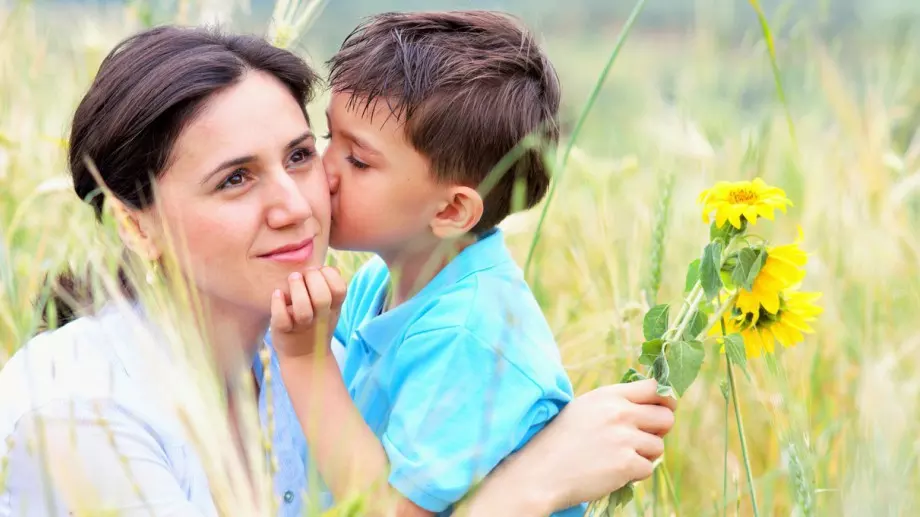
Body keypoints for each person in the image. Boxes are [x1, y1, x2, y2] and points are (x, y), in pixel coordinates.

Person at [0, 25, 676, 517]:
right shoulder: (77, 417)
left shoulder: (306, 339)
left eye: (299, 155)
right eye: (235, 179)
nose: (298, 203)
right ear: (133, 221)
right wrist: (529, 488)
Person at [268, 11, 595, 516]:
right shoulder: (382, 280)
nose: (324, 171)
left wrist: (307, 362)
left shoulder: (469, 333)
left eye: (358, 160)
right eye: (329, 138)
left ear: (450, 210)